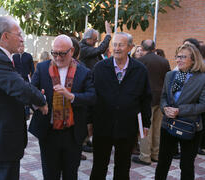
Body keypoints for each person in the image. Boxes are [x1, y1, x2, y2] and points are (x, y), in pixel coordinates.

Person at [0, 16, 47, 180]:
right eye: (18, 34)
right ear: (5, 36)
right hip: (0, 142)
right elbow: (20, 88)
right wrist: (41, 101)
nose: (22, 39)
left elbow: (10, 90)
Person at [29, 34, 96, 180]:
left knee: (70, 174)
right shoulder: (41, 68)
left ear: (71, 51)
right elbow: (31, 92)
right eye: (54, 53)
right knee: (50, 174)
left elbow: (92, 97)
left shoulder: (84, 72)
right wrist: (39, 102)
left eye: (62, 54)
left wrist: (72, 96)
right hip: (48, 131)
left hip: (73, 133)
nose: (58, 57)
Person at [90, 32, 152, 180]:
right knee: (99, 166)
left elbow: (145, 98)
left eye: (121, 45)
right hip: (102, 126)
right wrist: (89, 121)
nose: (117, 48)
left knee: (123, 167)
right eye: (115, 44)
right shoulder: (100, 68)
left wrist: (145, 123)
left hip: (127, 127)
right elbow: (92, 96)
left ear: (130, 47)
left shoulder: (140, 70)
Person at [155, 43, 205, 180]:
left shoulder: (202, 78)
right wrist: (165, 108)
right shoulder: (170, 75)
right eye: (177, 56)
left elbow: (203, 105)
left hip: (190, 127)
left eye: (183, 57)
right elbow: (164, 97)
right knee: (163, 162)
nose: (178, 60)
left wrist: (179, 111)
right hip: (168, 124)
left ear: (193, 59)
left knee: (187, 164)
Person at [132, 40, 170, 165]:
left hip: (146, 100)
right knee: (157, 128)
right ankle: (155, 154)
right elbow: (167, 80)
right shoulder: (164, 61)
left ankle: (145, 156)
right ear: (154, 48)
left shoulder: (140, 62)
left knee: (145, 128)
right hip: (161, 99)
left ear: (142, 48)